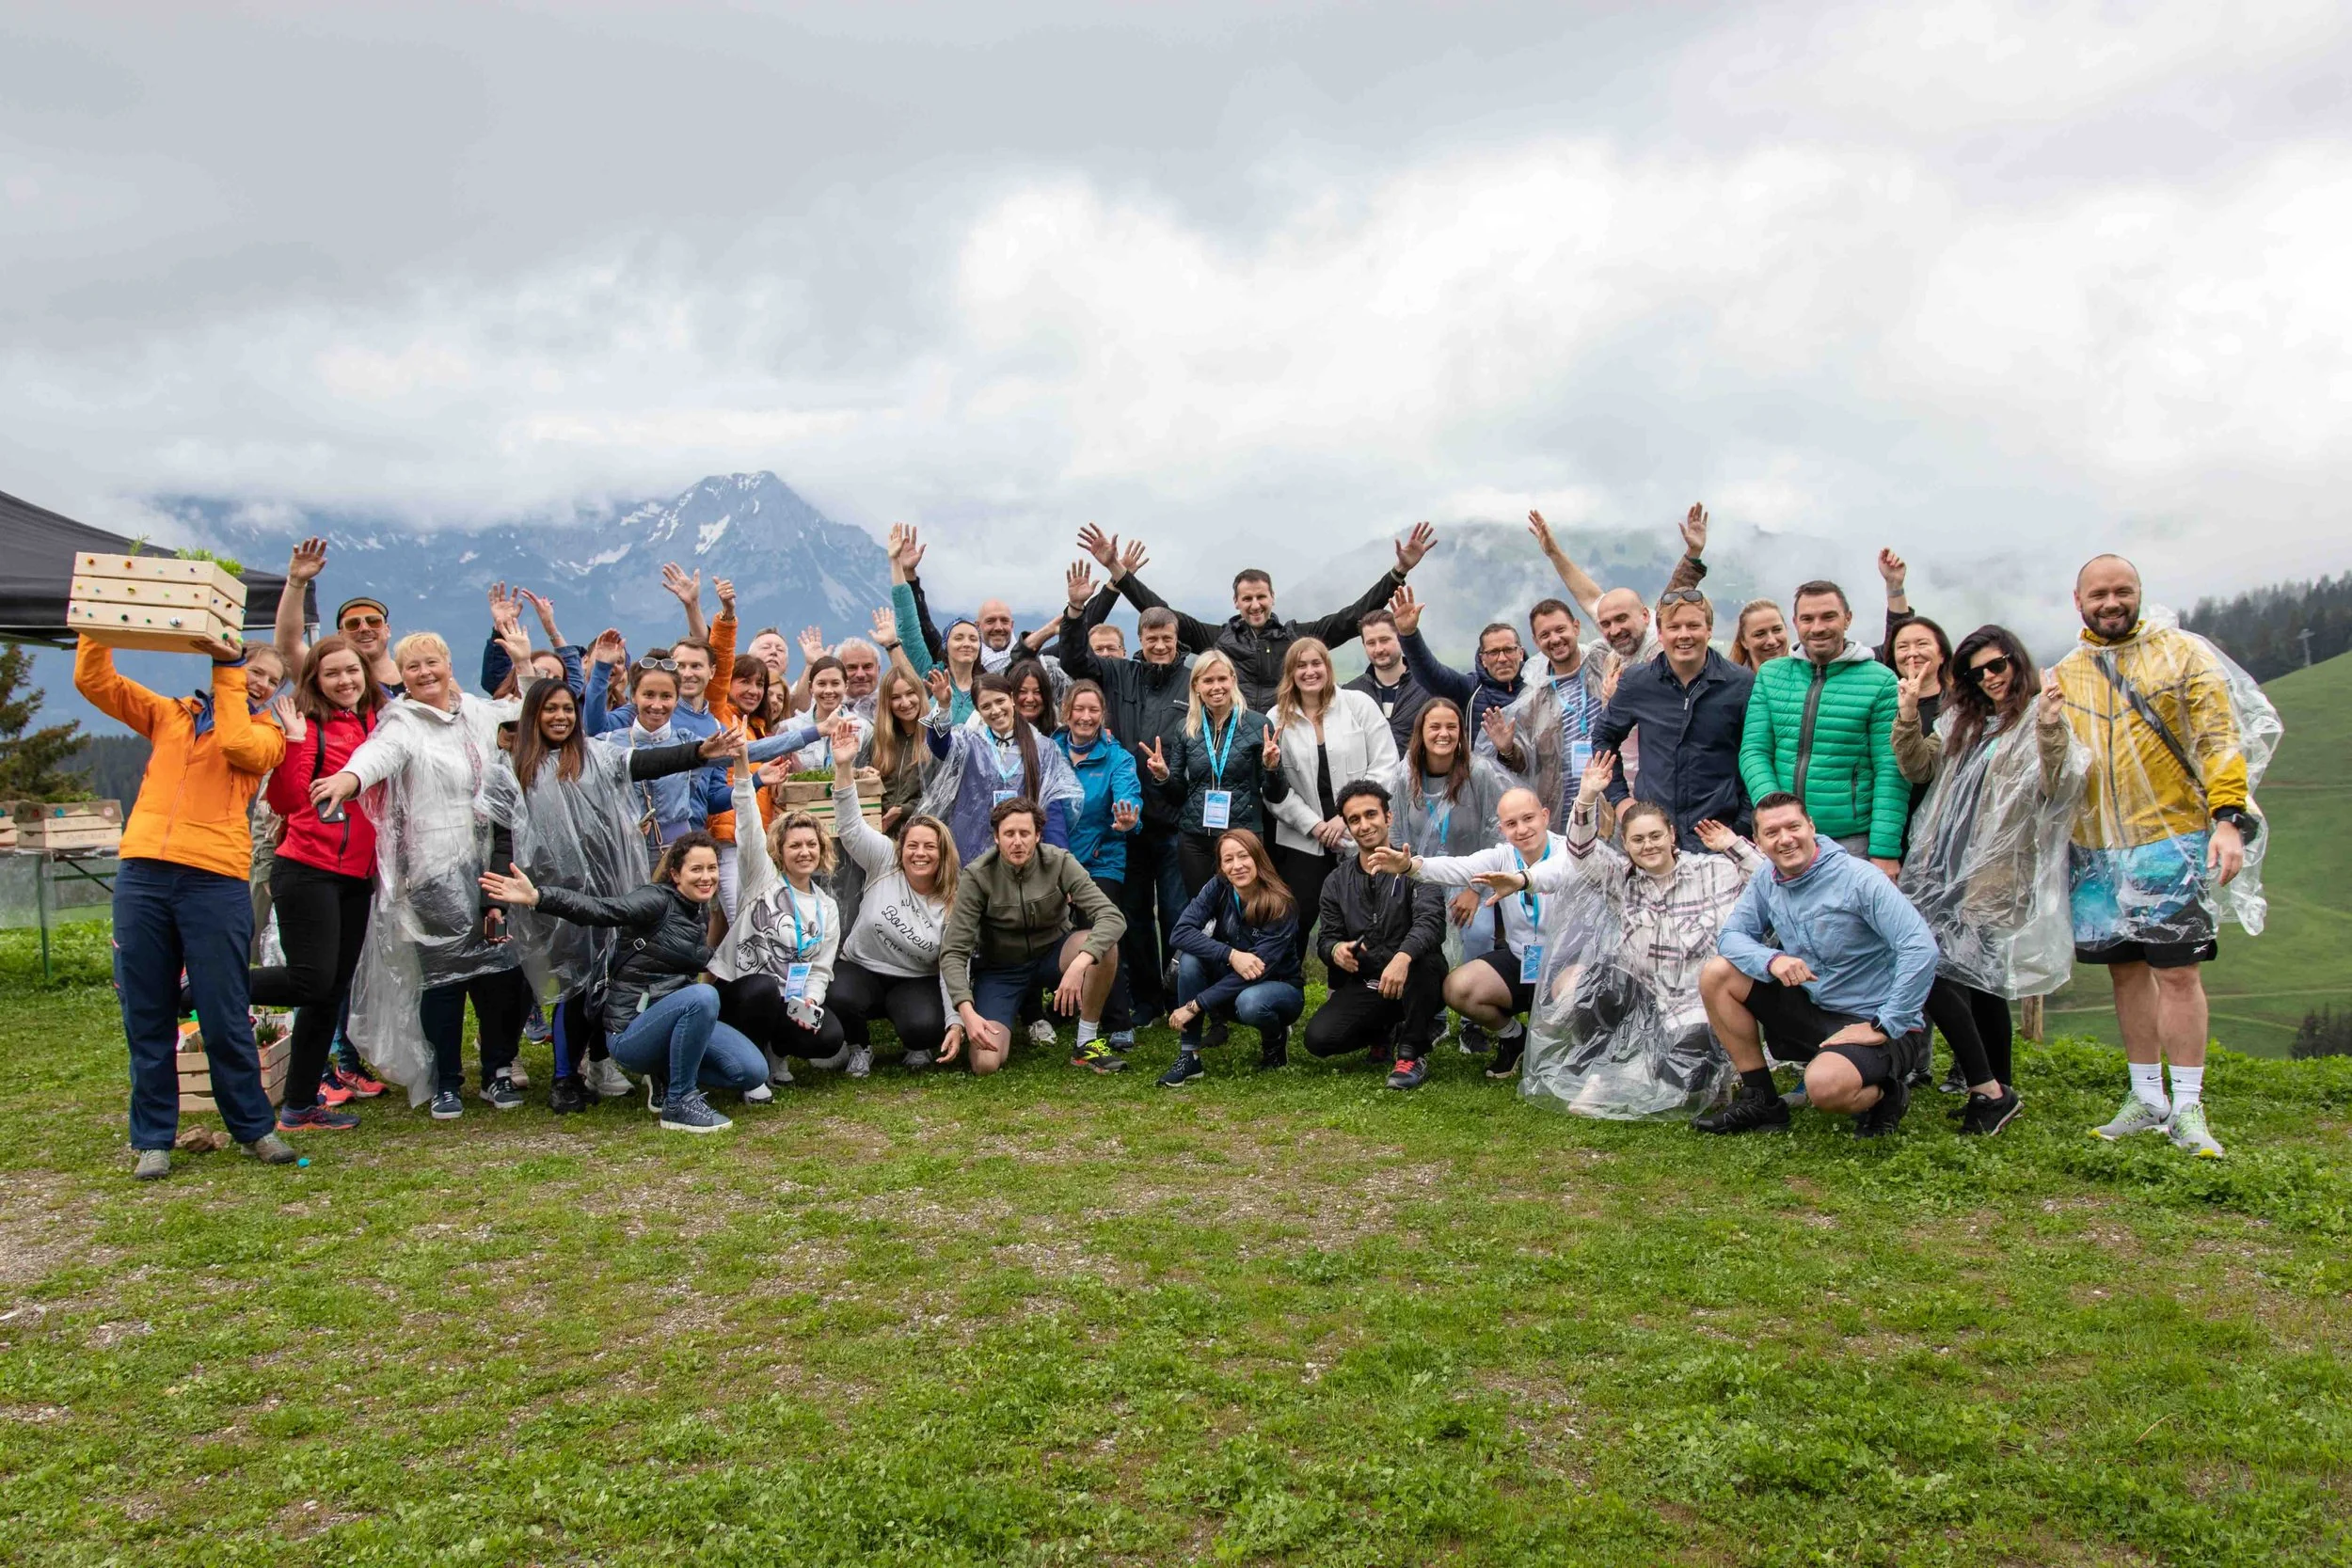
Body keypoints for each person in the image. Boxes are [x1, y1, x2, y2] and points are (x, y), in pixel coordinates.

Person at [2058, 555, 2273, 1160]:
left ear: (2139, 594)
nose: (2111, 603)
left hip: (2169, 839)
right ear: (2079, 602)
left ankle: (2189, 1107)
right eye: (2099, 594)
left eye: (2122, 591)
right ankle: (2147, 1096)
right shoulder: (2068, 673)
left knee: (2177, 973)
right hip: (2095, 848)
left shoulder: (2182, 654)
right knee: (2125, 971)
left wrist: (2228, 820)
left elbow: (2219, 739)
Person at [77, 632, 297, 1180]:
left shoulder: (268, 734)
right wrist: (96, 628)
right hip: (143, 873)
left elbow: (236, 744)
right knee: (146, 1010)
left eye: (271, 680)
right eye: (254, 670)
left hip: (215, 880)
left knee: (223, 1012)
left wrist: (229, 671)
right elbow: (95, 681)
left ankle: (253, 1128)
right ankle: (154, 1139)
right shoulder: (169, 715)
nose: (260, 683)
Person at [478, 679, 744, 1112]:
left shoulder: (594, 756)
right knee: (572, 984)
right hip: (549, 892)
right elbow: (504, 838)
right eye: (550, 709)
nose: (561, 717)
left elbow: (648, 762)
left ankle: (601, 1062)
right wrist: (496, 901)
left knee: (609, 976)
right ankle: (565, 1077)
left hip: (608, 883)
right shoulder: (510, 769)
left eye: (568, 708)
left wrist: (699, 752)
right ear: (532, 714)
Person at [316, 630, 534, 1119]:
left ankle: (497, 1071)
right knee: (443, 982)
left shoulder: (476, 712)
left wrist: (523, 663)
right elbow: (378, 756)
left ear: (448, 664)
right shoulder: (402, 723)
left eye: (431, 662)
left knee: (501, 974)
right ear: (402, 676)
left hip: (490, 865)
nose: (424, 673)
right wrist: (349, 779)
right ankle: (446, 1080)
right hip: (433, 871)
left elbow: (530, 711)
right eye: (412, 667)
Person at [1483, 752, 1764, 1118]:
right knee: (1590, 983)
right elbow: (1581, 851)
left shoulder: (1713, 871)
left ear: (1671, 835)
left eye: (1655, 836)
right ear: (1626, 845)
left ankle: (1637, 1076)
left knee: (1685, 1072)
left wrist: (1733, 844)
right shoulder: (1621, 878)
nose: (1648, 846)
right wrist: (1586, 798)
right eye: (1637, 840)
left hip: (1700, 1003)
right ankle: (1606, 1068)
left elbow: (1768, 881)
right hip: (1644, 996)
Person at [1895, 626, 2087, 1136]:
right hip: (1941, 865)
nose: (1989, 678)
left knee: (1976, 978)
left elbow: (2060, 784)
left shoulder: (2040, 716)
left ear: (2016, 662)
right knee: (1955, 974)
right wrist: (1909, 715)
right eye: (1975, 672)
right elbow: (1918, 769)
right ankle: (1992, 1087)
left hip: (1996, 870)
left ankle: (1993, 1088)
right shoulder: (1963, 720)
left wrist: (2050, 726)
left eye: (1997, 666)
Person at [1692, 793, 1940, 1137]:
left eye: (1793, 827)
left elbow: (1920, 947)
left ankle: (1888, 1096)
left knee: (1823, 1087)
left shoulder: (1859, 878)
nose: (1785, 839)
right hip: (1814, 1007)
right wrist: (1772, 960)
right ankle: (1761, 1099)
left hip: (1875, 1021)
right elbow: (1732, 936)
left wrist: (1885, 1024)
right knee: (1718, 974)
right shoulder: (1767, 878)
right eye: (1772, 832)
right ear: (1758, 841)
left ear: (1811, 826)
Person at [480, 833, 762, 1132]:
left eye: (712, 868)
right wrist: (539, 897)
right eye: (697, 869)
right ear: (676, 874)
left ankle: (671, 1074)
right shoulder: (656, 900)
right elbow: (601, 909)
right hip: (632, 1029)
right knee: (703, 996)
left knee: (751, 1072)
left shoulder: (697, 910)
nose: (707, 877)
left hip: (675, 1020)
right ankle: (680, 1102)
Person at [247, 636, 384, 1132]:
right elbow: (285, 801)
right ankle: (206, 984)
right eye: (332, 673)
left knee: (328, 993)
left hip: (357, 876)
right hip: (308, 868)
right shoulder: (308, 725)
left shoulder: (378, 721)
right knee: (311, 981)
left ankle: (299, 1106)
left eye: (352, 670)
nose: (345, 681)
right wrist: (295, 741)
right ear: (316, 681)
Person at [1057, 553, 1195, 1027]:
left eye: (1167, 638)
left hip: (1172, 818)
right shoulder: (1119, 673)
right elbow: (1073, 659)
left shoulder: (1191, 682)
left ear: (1177, 640)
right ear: (1140, 641)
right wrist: (1077, 610)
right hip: (1125, 825)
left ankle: (1182, 999)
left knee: (1176, 914)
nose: (1159, 645)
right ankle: (1147, 1002)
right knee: (1132, 916)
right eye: (1151, 638)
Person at [1095, 520, 1438, 709]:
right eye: (1247, 599)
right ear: (1236, 602)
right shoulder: (1218, 640)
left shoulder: (1295, 638)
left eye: (1261, 597)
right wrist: (1118, 572)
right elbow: (1162, 614)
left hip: (1287, 734)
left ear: (1272, 598)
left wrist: (1398, 572)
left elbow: (1351, 619)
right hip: (1234, 738)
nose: (1255, 605)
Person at [1366, 785, 1564, 1081]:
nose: (1522, 829)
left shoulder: (1568, 851)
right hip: (1523, 959)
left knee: (1571, 996)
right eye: (1511, 823)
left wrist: (1523, 880)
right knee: (1457, 988)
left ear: (1545, 816)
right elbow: (1458, 867)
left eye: (1528, 818)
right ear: (1502, 829)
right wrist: (1410, 866)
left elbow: (1561, 872)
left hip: (1565, 964)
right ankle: (1514, 1037)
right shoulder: (1502, 856)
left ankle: (1568, 1052)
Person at [939, 797, 1128, 1075]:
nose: (1017, 842)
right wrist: (966, 1012)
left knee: (1105, 946)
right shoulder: (977, 875)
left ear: (1038, 835)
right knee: (986, 1064)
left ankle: (1086, 1042)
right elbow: (954, 950)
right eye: (1009, 834)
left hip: (1054, 954)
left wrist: (1079, 965)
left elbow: (1111, 917)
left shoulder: (1059, 861)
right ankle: (1007, 1016)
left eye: (1025, 833)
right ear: (996, 838)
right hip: (1002, 969)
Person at [819, 719, 962, 1072]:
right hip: (862, 969)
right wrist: (843, 767)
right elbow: (850, 826)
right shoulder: (885, 859)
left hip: (915, 979)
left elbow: (953, 964)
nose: (919, 853)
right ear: (901, 847)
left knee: (923, 1028)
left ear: (943, 853)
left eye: (929, 847)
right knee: (837, 994)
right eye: (912, 845)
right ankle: (860, 1046)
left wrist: (954, 1021)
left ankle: (916, 1042)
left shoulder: (952, 898)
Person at [1738, 579, 1906, 876]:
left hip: (1851, 841)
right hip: (1783, 839)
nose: (1817, 628)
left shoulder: (1880, 681)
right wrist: (1776, 813)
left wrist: (1885, 850)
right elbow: (1754, 751)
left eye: (1828, 617)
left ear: (1847, 619)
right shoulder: (1771, 675)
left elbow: (1890, 770)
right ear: (1795, 623)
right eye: (1808, 619)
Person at [1302, 780, 1449, 1089]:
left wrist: (1402, 958)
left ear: (1388, 817)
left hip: (1416, 977)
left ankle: (1412, 1053)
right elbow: (1327, 938)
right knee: (1319, 1039)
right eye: (1354, 819)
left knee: (1425, 963)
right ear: (1347, 827)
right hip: (1370, 983)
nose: (1365, 825)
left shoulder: (1418, 867)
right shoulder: (1336, 882)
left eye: (1371, 814)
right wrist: (1335, 950)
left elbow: (1432, 923)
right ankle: (1383, 1032)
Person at [1591, 589, 1755, 851]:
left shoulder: (1740, 684)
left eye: (1693, 626)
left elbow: (1756, 754)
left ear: (1709, 630)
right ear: (1660, 633)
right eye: (1674, 627)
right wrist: (1620, 801)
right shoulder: (1638, 682)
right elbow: (1604, 737)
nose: (1684, 635)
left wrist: (1742, 826)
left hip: (1721, 840)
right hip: (1655, 840)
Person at [708, 771, 846, 1082]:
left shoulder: (826, 906)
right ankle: (751, 1067)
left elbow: (820, 969)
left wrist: (811, 1000)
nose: (804, 852)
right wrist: (744, 770)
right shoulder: (761, 879)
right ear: (779, 851)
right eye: (794, 845)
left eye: (811, 844)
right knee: (763, 989)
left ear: (822, 849)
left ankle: (776, 1052)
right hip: (743, 993)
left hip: (789, 999)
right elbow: (747, 825)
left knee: (829, 1036)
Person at [1265, 637, 1400, 949]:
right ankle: (1287, 980)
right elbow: (1274, 787)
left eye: (1316, 663)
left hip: (1359, 833)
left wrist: (1347, 818)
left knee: (1366, 919)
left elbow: (1385, 764)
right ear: (1290, 673)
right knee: (1295, 922)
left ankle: (1359, 978)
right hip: (1303, 838)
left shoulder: (1358, 705)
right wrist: (1314, 825)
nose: (1310, 671)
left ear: (1328, 667)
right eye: (1301, 665)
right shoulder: (1276, 718)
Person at [1158, 829, 1306, 1085]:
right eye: (1228, 860)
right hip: (1232, 979)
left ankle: (1275, 1039)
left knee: (1251, 1002)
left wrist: (1195, 1005)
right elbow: (1180, 933)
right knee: (1190, 960)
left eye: (1244, 856)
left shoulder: (1281, 903)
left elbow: (1257, 971)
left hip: (1279, 988)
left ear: (1258, 858)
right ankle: (1189, 1056)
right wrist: (1231, 954)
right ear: (1222, 867)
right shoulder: (1218, 886)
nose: (1237, 866)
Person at [1141, 650, 1290, 895]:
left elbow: (1276, 795)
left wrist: (1271, 767)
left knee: (1244, 908)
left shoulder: (1258, 725)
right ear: (1197, 686)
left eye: (1222, 679)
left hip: (1242, 837)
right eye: (1208, 680)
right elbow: (1177, 796)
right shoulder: (1186, 728)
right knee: (1202, 908)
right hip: (1195, 839)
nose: (1216, 687)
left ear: (1233, 679)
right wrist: (1164, 776)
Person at [1056, 681, 1145, 1046]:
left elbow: (1129, 799)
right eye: (1079, 709)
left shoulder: (1117, 758)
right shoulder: (1049, 750)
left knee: (1102, 935)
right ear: (1067, 712)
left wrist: (1129, 818)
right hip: (1056, 860)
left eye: (1093, 710)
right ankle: (1058, 1008)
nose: (1086, 717)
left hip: (1100, 861)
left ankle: (1117, 1020)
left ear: (1102, 715)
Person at [917, 669, 1083, 864]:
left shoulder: (1043, 748)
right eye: (986, 706)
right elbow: (940, 746)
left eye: (1000, 701)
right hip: (972, 854)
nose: (995, 711)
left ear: (1011, 699)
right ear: (978, 711)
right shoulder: (969, 742)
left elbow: (1052, 809)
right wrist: (944, 706)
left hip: (1023, 854)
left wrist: (1059, 861)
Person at [1525, 503, 1710, 671]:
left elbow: (1674, 595)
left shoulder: (1662, 639)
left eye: (1622, 619)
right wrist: (1554, 553)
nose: (1614, 630)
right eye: (1605, 624)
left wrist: (1693, 553)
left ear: (1645, 616)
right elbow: (1589, 598)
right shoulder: (1613, 659)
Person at [1480, 595, 1611, 824]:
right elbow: (1528, 767)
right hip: (1563, 810)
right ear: (1536, 641)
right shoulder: (1533, 697)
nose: (1555, 639)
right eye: (1545, 635)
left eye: (1560, 629)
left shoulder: (1604, 665)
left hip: (1613, 797)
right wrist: (1507, 749)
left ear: (1576, 627)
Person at [889, 527, 982, 722]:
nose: (967, 643)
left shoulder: (985, 689)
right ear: (945, 645)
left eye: (973, 639)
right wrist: (897, 564)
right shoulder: (929, 675)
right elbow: (909, 628)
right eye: (959, 638)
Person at [858, 665, 934, 835]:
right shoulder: (877, 740)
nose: (905, 703)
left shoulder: (935, 740)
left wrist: (903, 810)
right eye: (895, 697)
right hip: (878, 835)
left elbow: (940, 796)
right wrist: (864, 777)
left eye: (910, 693)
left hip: (920, 835)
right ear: (887, 703)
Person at [1346, 607, 1432, 750]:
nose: (1379, 649)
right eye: (1371, 643)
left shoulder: (1428, 688)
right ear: (1364, 645)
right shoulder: (1350, 693)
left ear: (1400, 638)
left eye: (1384, 640)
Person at [1729, 599, 1790, 672]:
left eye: (1777, 630)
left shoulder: (1802, 674)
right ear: (1744, 641)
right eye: (1760, 634)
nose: (1772, 641)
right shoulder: (1733, 678)